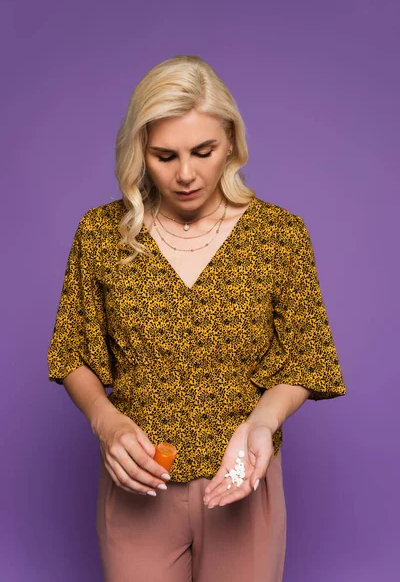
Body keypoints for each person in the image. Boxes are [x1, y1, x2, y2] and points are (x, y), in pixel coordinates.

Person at [47, 54, 346, 582]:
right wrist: (106, 421)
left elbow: (307, 359)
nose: (186, 174)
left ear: (230, 141)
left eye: (203, 151)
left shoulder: (280, 236)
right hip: (139, 484)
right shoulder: (101, 234)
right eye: (165, 156)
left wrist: (261, 422)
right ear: (140, 151)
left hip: (242, 481)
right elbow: (71, 352)